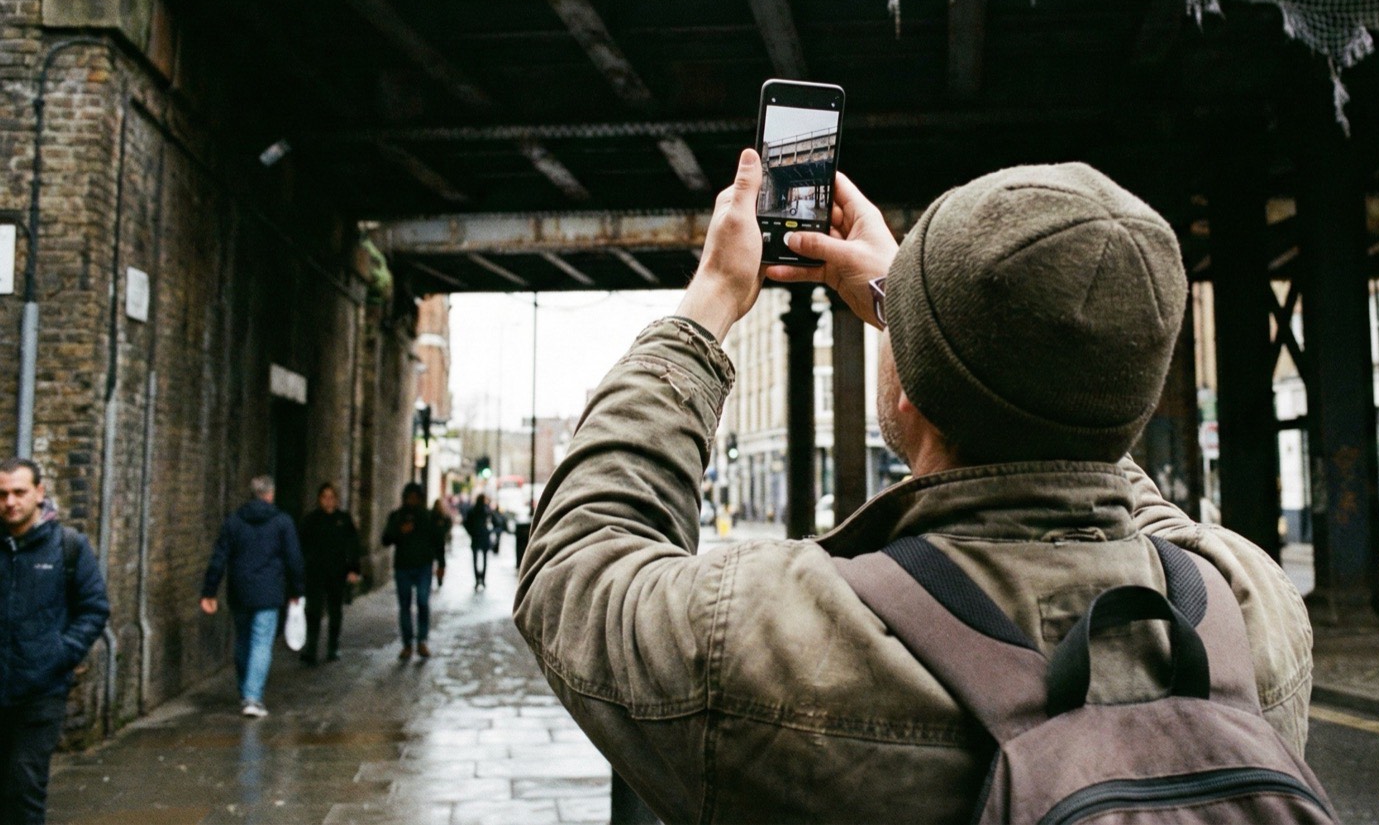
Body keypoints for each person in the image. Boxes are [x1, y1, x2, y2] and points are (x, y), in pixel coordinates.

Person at [515, 152, 1314, 822]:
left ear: (909, 395)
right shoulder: (1254, 611)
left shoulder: (772, 640)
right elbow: (1089, 432)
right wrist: (934, 318)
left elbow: (576, 564)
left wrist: (709, 303)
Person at [0, 458, 110, 825]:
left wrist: (61, 653)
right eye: (2, 494)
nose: (10, 502)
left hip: (40, 692)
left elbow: (94, 608)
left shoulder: (67, 546)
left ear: (39, 493)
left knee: (24, 788)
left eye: (19, 492)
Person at [201, 475, 304, 719]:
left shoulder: (234, 522)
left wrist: (209, 591)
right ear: (270, 494)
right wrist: (296, 590)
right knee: (261, 643)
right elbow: (294, 559)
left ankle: (245, 690)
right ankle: (252, 697)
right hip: (268, 593)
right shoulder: (282, 522)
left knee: (243, 640)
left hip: (240, 591)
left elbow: (219, 558)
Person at [297, 483, 361, 665]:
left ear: (336, 499)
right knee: (313, 610)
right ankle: (311, 647)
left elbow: (353, 546)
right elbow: (302, 545)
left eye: (331, 496)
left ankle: (333, 646)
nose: (328, 500)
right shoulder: (311, 520)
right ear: (319, 499)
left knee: (335, 610)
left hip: (337, 572)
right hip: (315, 572)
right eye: (324, 496)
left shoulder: (344, 520)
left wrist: (353, 569)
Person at [382, 483, 445, 660]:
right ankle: (407, 643)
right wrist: (399, 531)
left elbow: (438, 540)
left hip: (423, 566)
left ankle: (422, 640)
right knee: (405, 606)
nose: (412, 500)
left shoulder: (428, 517)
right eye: (409, 497)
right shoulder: (397, 516)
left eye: (415, 497)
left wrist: (441, 564)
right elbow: (386, 539)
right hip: (403, 567)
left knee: (423, 602)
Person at [463, 494, 508, 591]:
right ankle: (482, 579)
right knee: (484, 560)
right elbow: (496, 522)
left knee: (475, 560)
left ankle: (477, 579)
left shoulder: (473, 510)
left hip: (475, 538)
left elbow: (466, 523)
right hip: (483, 537)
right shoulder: (486, 511)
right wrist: (491, 531)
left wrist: (471, 532)